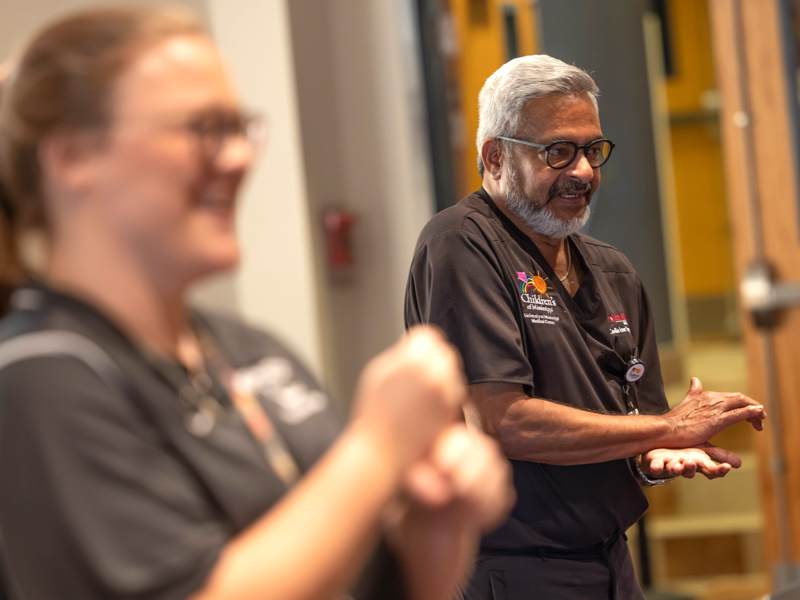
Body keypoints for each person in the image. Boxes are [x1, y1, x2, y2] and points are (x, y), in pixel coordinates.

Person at [0, 7, 515, 600]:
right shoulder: (41, 377)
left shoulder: (249, 350)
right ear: (72, 157)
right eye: (201, 128)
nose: (240, 157)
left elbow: (377, 580)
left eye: (238, 128)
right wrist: (378, 445)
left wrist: (437, 519)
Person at [405, 55, 767, 600]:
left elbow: (638, 425)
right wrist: (666, 430)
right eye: (558, 151)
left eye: (591, 150)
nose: (582, 171)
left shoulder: (613, 271)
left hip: (610, 563)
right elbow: (502, 422)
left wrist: (657, 459)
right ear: (495, 156)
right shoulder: (461, 243)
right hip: (506, 571)